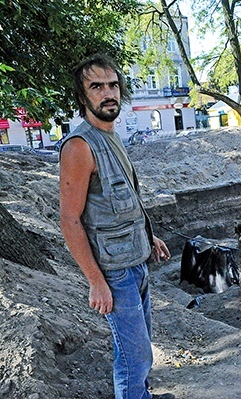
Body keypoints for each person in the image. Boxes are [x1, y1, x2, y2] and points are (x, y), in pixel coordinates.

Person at [59, 53, 173, 399]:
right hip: (114, 273)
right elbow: (69, 220)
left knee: (140, 352)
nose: (108, 93)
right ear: (83, 97)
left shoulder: (111, 135)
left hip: (136, 262)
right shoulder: (80, 147)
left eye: (113, 85)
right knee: (134, 358)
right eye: (97, 86)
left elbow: (117, 203)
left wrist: (148, 237)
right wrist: (96, 282)